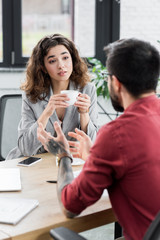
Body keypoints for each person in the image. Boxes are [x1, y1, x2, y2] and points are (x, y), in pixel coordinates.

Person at [37, 38, 160, 240]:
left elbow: (70, 205)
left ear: (116, 83)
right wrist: (94, 154)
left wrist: (63, 155)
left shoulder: (116, 134)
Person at [6, 33, 98, 160]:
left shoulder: (87, 90)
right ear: (43, 67)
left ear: (73, 59)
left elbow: (92, 147)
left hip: (70, 161)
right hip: (36, 162)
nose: (61, 65)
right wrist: (47, 112)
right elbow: (25, 148)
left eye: (65, 58)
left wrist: (84, 113)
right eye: (52, 61)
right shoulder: (31, 95)